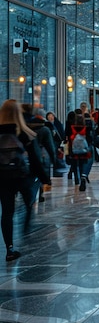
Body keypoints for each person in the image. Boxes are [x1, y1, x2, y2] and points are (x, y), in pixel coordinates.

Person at [0, 99, 50, 261]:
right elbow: (35, 159)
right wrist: (44, 178)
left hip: (2, 177)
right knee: (29, 202)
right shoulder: (23, 133)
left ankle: (9, 248)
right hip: (21, 176)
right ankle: (27, 229)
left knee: (7, 212)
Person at [68, 112, 95, 191]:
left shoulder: (72, 127)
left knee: (75, 165)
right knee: (82, 164)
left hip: (74, 149)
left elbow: (69, 138)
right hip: (83, 150)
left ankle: (76, 179)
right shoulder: (85, 128)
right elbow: (90, 138)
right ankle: (82, 177)